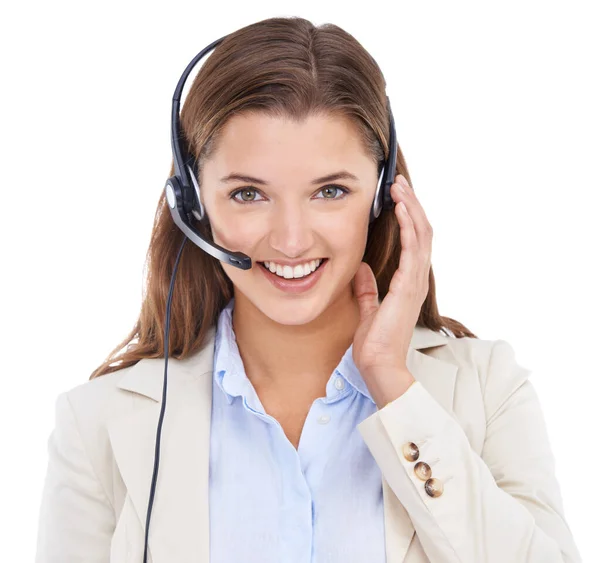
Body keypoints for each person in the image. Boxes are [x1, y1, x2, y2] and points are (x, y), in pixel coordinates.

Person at [34, 16, 582, 563]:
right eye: (249, 194)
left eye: (331, 191)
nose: (292, 241)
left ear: (383, 195)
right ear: (194, 205)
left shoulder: (486, 391)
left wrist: (394, 386)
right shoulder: (99, 424)